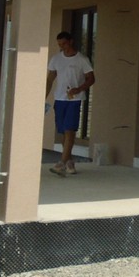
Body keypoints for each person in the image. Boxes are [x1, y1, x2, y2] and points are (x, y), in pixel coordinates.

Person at [46, 31, 95, 176]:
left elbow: (91, 78)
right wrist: (43, 97)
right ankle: (69, 161)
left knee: (70, 130)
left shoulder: (82, 59)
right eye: (60, 44)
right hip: (59, 99)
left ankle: (61, 163)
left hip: (74, 99)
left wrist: (79, 89)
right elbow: (50, 79)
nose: (62, 47)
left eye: (64, 44)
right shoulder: (56, 59)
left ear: (71, 41)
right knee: (63, 132)